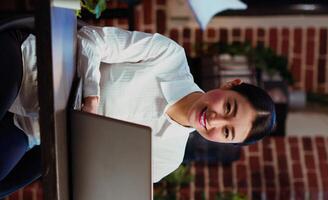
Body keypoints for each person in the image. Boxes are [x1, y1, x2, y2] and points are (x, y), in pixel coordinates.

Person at [0, 26, 275, 195]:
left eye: (227, 132)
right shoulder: (169, 57)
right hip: (30, 66)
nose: (215, 120)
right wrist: (91, 96)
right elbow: (92, 39)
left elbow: (99, 175)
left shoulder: (168, 159)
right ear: (230, 84)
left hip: (32, 127)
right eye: (228, 106)